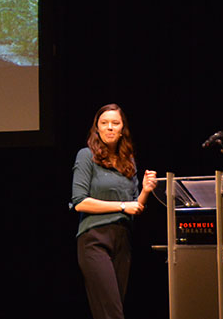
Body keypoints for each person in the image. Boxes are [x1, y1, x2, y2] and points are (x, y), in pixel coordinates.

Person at [71, 103, 157, 319]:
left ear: (122, 129)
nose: (110, 127)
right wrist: (121, 206)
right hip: (95, 239)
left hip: (122, 239)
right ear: (97, 129)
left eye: (115, 123)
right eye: (104, 123)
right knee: (112, 312)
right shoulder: (86, 156)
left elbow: (134, 206)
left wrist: (146, 191)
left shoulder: (128, 161)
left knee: (112, 308)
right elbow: (80, 202)